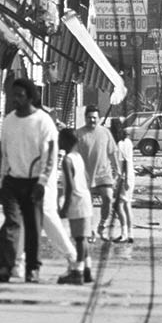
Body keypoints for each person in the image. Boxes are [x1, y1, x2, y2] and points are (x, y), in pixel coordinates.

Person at [0, 78, 58, 284]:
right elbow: (3, 152)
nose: (15, 99)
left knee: (33, 226)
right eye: (13, 95)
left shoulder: (43, 122)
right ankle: (4, 267)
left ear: (30, 97)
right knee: (11, 223)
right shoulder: (9, 121)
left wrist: (42, 181)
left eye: (20, 95)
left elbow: (51, 155)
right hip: (12, 181)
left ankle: (32, 268)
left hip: (34, 182)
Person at [73, 104, 124, 240]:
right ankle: (90, 230)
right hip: (85, 175)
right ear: (85, 118)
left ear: (99, 118)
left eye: (95, 118)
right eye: (89, 118)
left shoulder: (105, 132)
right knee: (87, 205)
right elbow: (73, 155)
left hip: (104, 174)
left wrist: (118, 170)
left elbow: (112, 152)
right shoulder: (78, 133)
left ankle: (102, 225)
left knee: (108, 197)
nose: (92, 120)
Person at [55, 128, 89, 285]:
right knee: (83, 237)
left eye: (61, 139)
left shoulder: (67, 160)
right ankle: (86, 269)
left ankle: (78, 272)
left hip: (77, 201)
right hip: (84, 198)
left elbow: (70, 185)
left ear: (67, 141)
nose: (59, 142)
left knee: (79, 238)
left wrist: (65, 207)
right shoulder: (78, 157)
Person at [108, 118, 136, 244]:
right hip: (130, 176)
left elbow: (124, 163)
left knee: (118, 206)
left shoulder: (120, 144)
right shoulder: (128, 142)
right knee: (127, 205)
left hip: (124, 177)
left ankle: (124, 234)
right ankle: (130, 234)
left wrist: (122, 180)